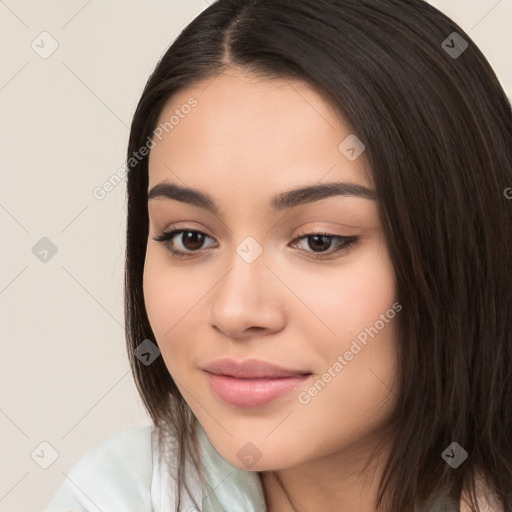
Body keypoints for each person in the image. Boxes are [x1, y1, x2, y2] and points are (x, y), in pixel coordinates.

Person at [45, 0, 512, 511]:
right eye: (190, 238)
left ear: (465, 245)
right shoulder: (116, 497)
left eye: (319, 240)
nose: (235, 310)